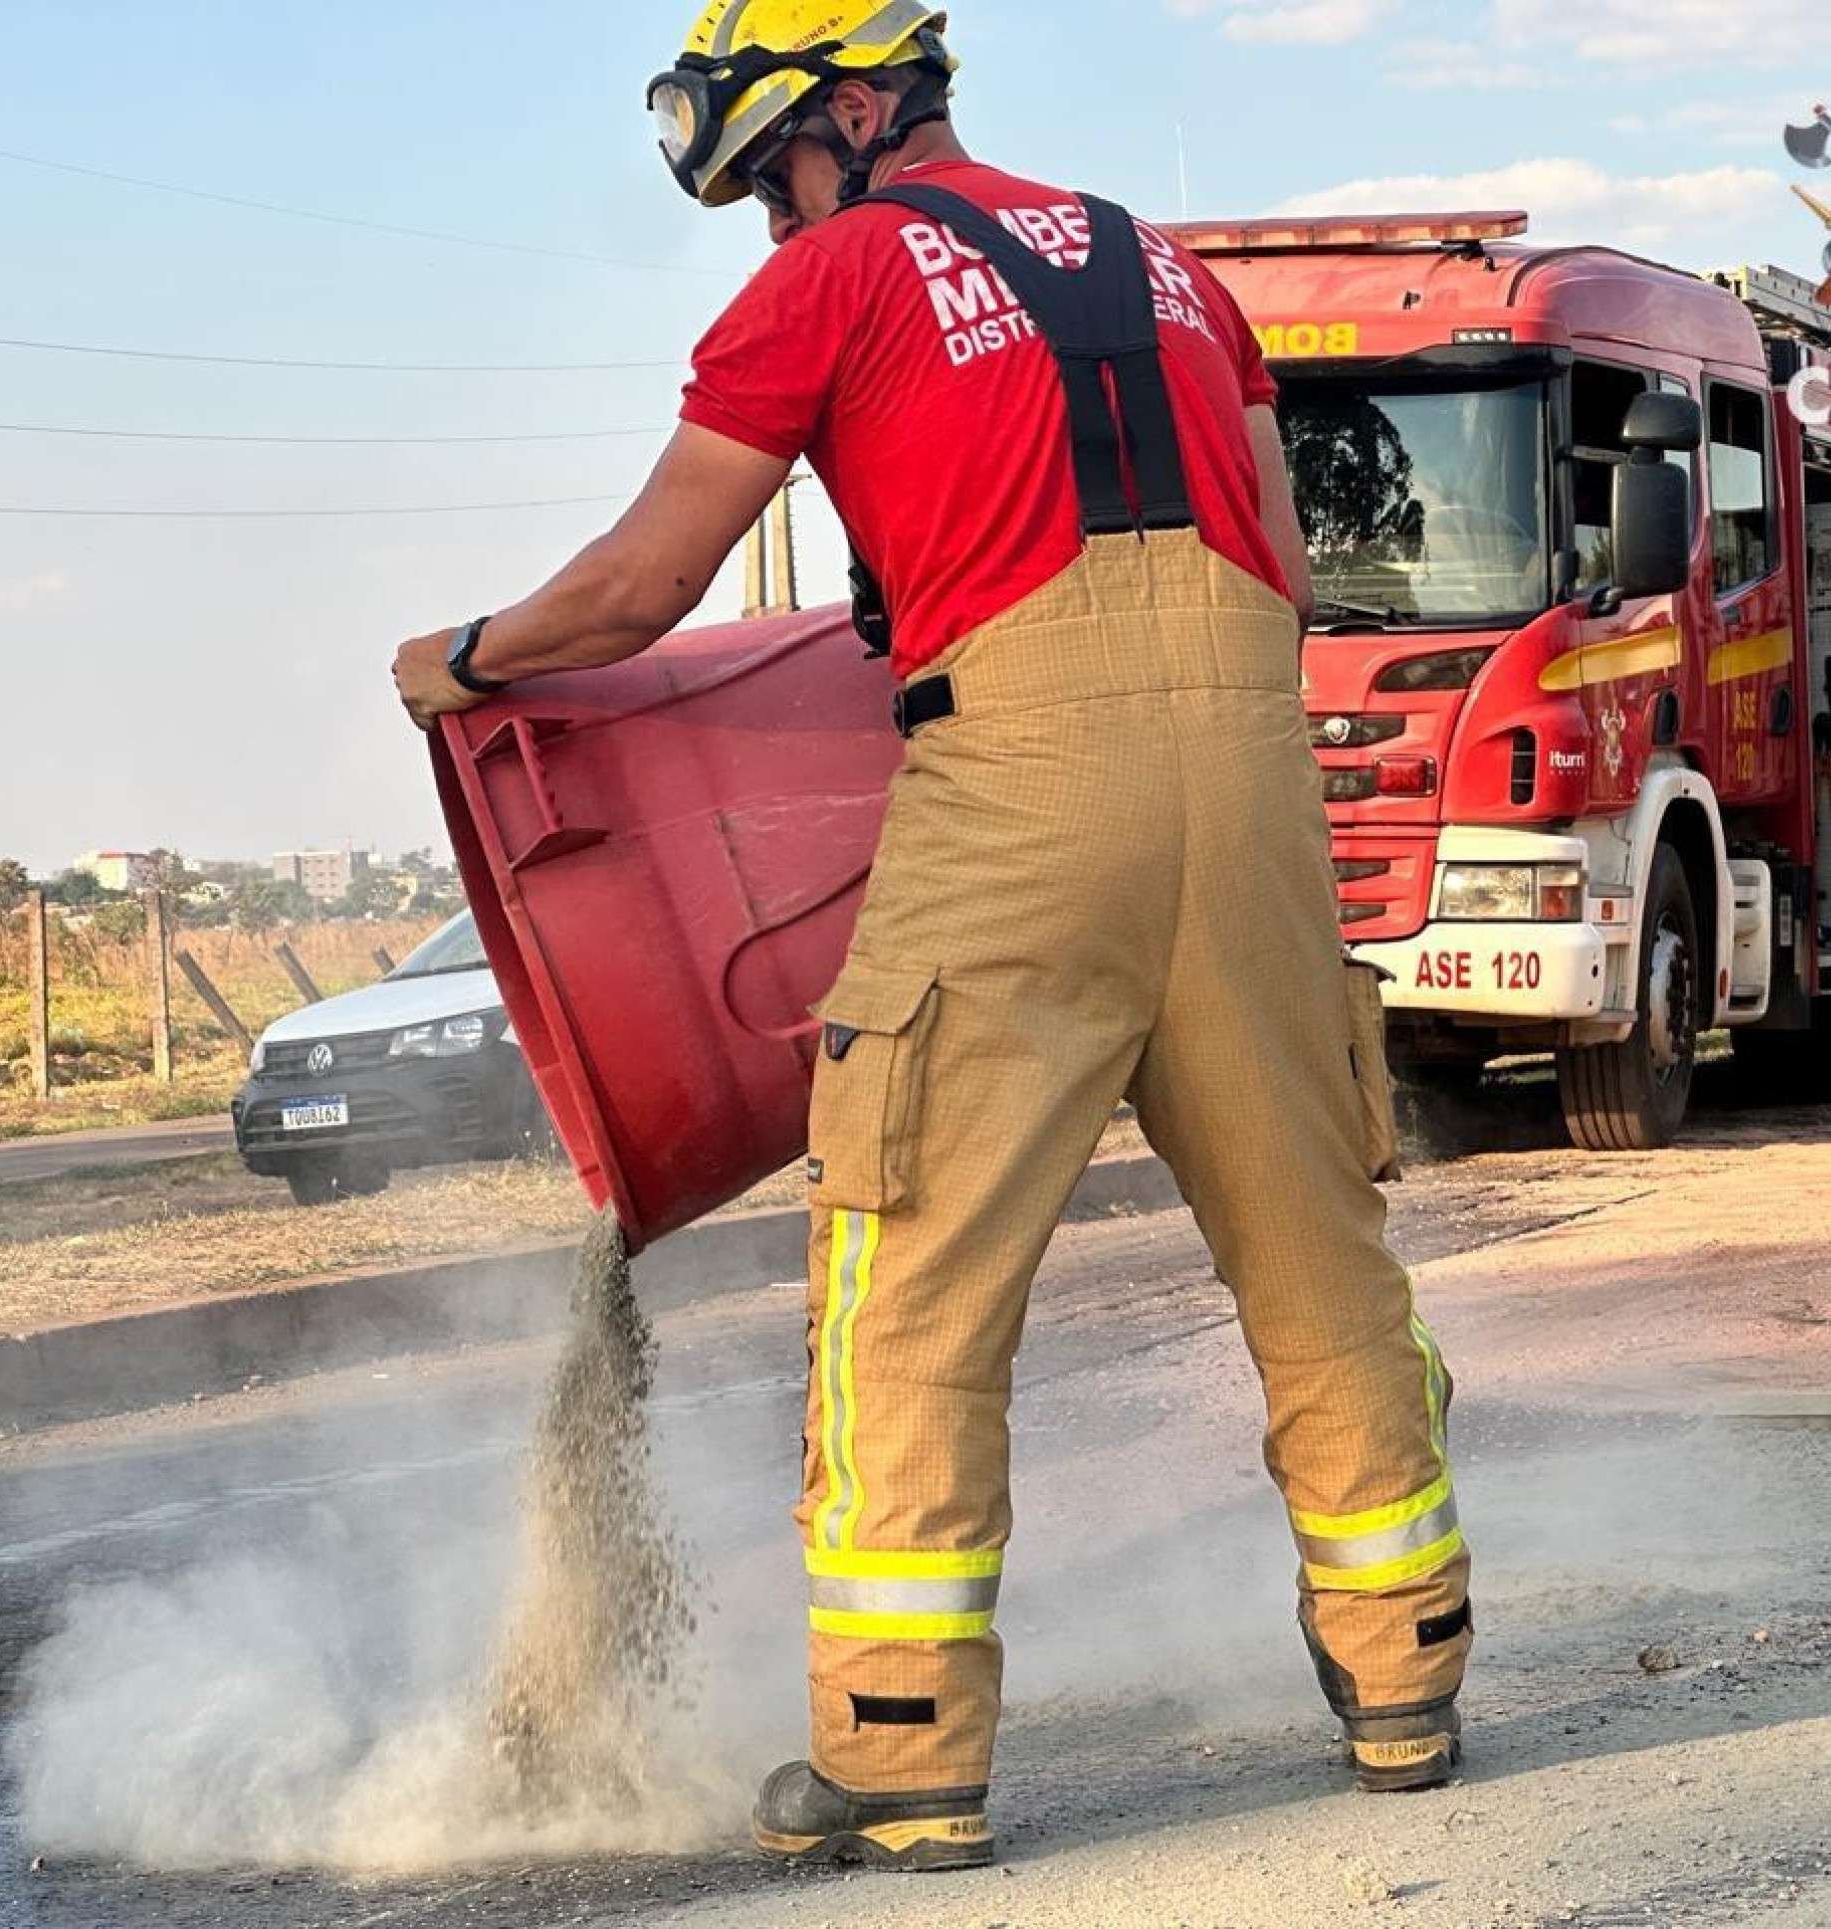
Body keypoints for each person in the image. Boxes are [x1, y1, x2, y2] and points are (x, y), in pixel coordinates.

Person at [392, 0, 1472, 1866]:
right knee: (1317, 1253)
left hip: (1028, 796)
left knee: (906, 1281)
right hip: (1250, 777)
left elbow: (648, 586)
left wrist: (465, 658)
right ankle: (1406, 1681)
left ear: (862, 109)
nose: (763, 224)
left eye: (769, 178)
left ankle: (901, 1758)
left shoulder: (822, 288)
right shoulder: (1162, 261)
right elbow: (1286, 567)